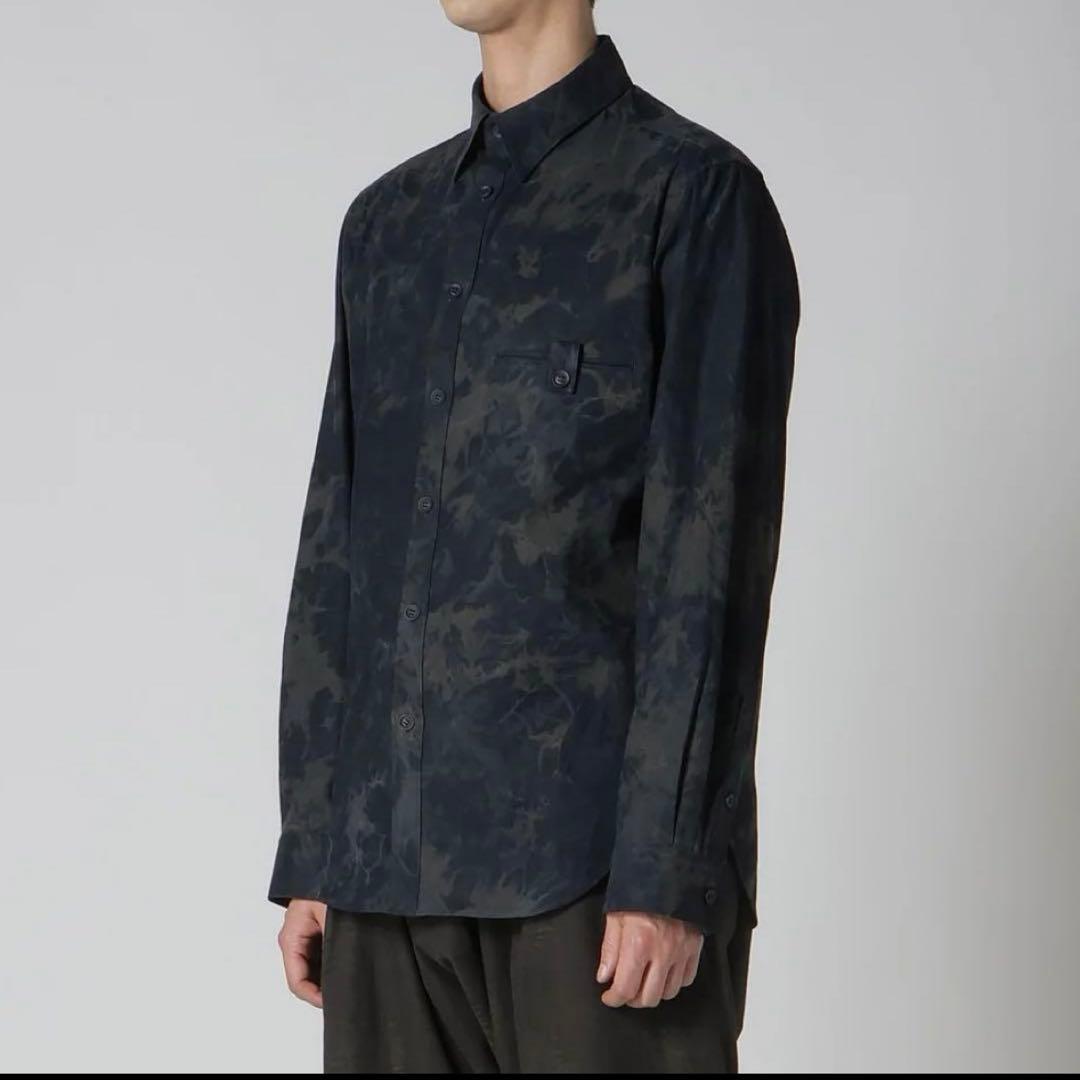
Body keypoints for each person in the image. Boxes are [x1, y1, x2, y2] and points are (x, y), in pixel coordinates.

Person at [270, 0, 800, 1072]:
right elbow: (338, 546)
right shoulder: (388, 226)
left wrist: (668, 867)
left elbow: (710, 561)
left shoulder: (690, 195)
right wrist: (317, 845)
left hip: (589, 880)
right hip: (386, 872)